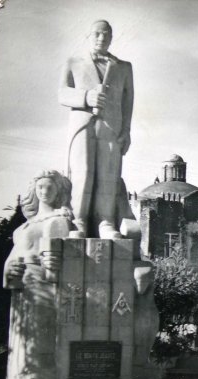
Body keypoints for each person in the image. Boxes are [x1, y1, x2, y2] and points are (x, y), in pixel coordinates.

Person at [3, 170, 75, 379]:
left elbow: (56, 257)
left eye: (50, 187)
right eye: (40, 187)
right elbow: (14, 256)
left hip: (41, 286)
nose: (44, 192)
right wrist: (8, 271)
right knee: (20, 342)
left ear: (58, 192)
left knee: (39, 342)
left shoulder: (58, 219)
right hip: (21, 286)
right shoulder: (24, 226)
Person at [59, 20, 134, 239]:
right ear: (89, 35)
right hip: (82, 125)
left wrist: (127, 130)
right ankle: (79, 221)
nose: (102, 38)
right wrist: (85, 97)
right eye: (97, 33)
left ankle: (106, 222)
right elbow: (62, 93)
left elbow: (128, 101)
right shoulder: (73, 62)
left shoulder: (124, 67)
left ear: (112, 38)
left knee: (108, 176)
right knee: (82, 172)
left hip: (112, 127)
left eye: (107, 34)